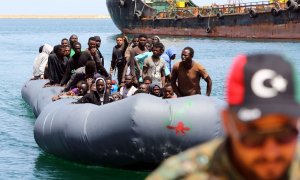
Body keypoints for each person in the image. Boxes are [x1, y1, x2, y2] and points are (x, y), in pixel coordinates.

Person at [147, 53, 300, 180]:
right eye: (254, 135)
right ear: (227, 122)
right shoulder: (183, 174)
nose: (271, 152)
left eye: (285, 134)